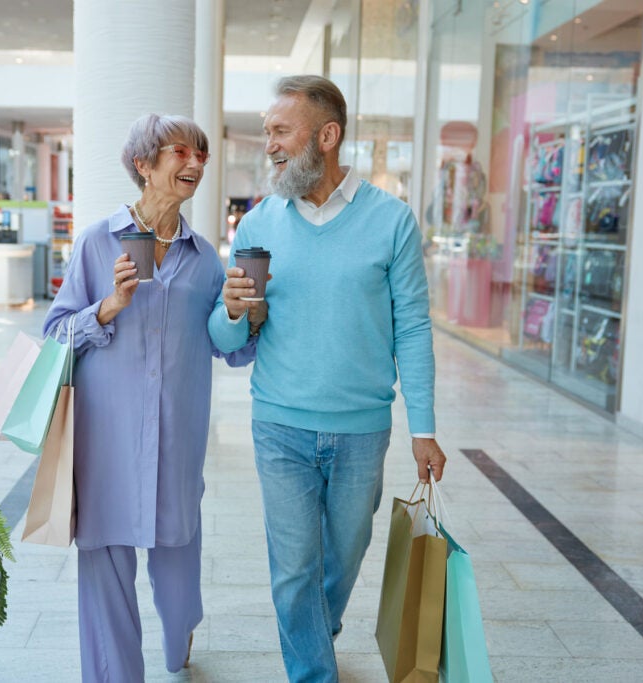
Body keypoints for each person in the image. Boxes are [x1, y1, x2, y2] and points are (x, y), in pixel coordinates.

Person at [208, 75, 447, 682]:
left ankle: (315, 629)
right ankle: (313, 670)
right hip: (280, 423)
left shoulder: (391, 221)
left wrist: (424, 429)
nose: (270, 145)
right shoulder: (260, 224)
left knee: (343, 558)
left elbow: (414, 330)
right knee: (293, 568)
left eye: (281, 131)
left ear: (328, 135)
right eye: (268, 133)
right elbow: (224, 336)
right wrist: (234, 310)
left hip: (362, 430)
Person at [43, 113, 261, 681]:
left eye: (202, 155)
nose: (195, 164)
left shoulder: (205, 258)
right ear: (143, 165)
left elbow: (230, 350)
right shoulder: (96, 243)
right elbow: (54, 337)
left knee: (178, 578)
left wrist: (238, 312)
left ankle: (180, 629)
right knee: (106, 581)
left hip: (175, 447)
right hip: (106, 445)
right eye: (180, 153)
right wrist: (106, 308)